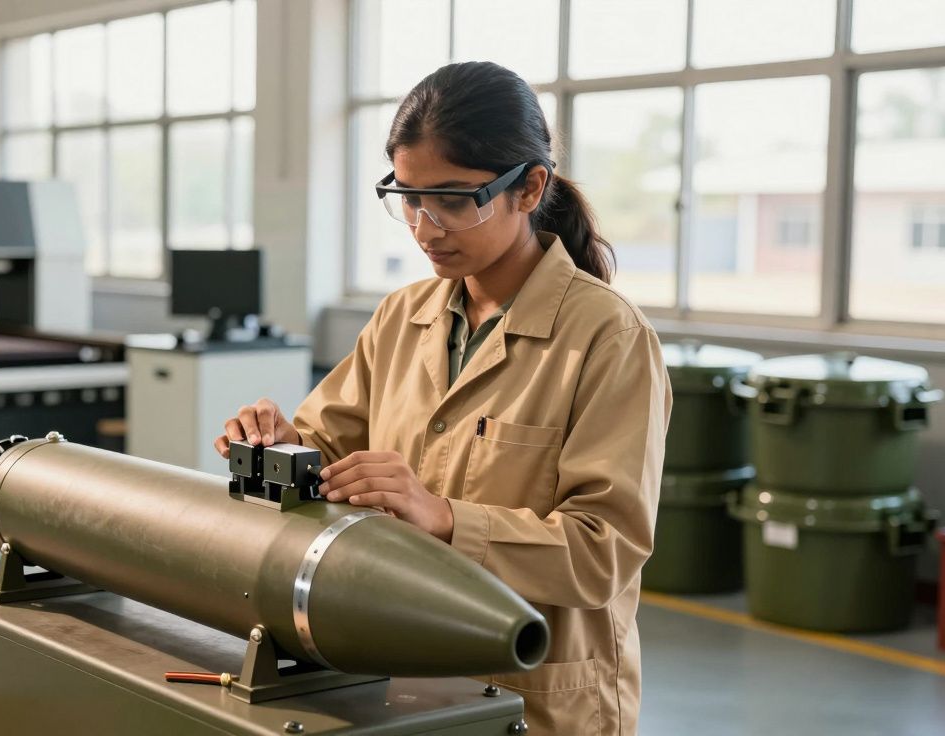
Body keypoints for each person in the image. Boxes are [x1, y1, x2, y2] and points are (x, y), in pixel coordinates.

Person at [215, 61, 671, 736]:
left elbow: (603, 550)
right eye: (408, 197)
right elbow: (327, 448)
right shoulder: (403, 316)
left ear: (530, 188)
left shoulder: (607, 338)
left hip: (537, 698)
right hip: (404, 675)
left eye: (454, 199)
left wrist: (447, 517)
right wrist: (277, 443)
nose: (425, 228)